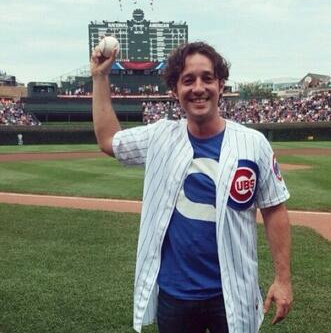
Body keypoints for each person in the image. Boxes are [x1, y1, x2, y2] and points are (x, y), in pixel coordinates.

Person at [91, 41, 292, 333]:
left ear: (221, 85)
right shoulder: (160, 137)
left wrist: (283, 279)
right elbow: (108, 140)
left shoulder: (253, 143)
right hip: (176, 296)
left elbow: (275, 210)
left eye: (207, 78)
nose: (198, 88)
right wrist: (100, 77)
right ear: (175, 90)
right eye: (188, 80)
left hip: (233, 292)